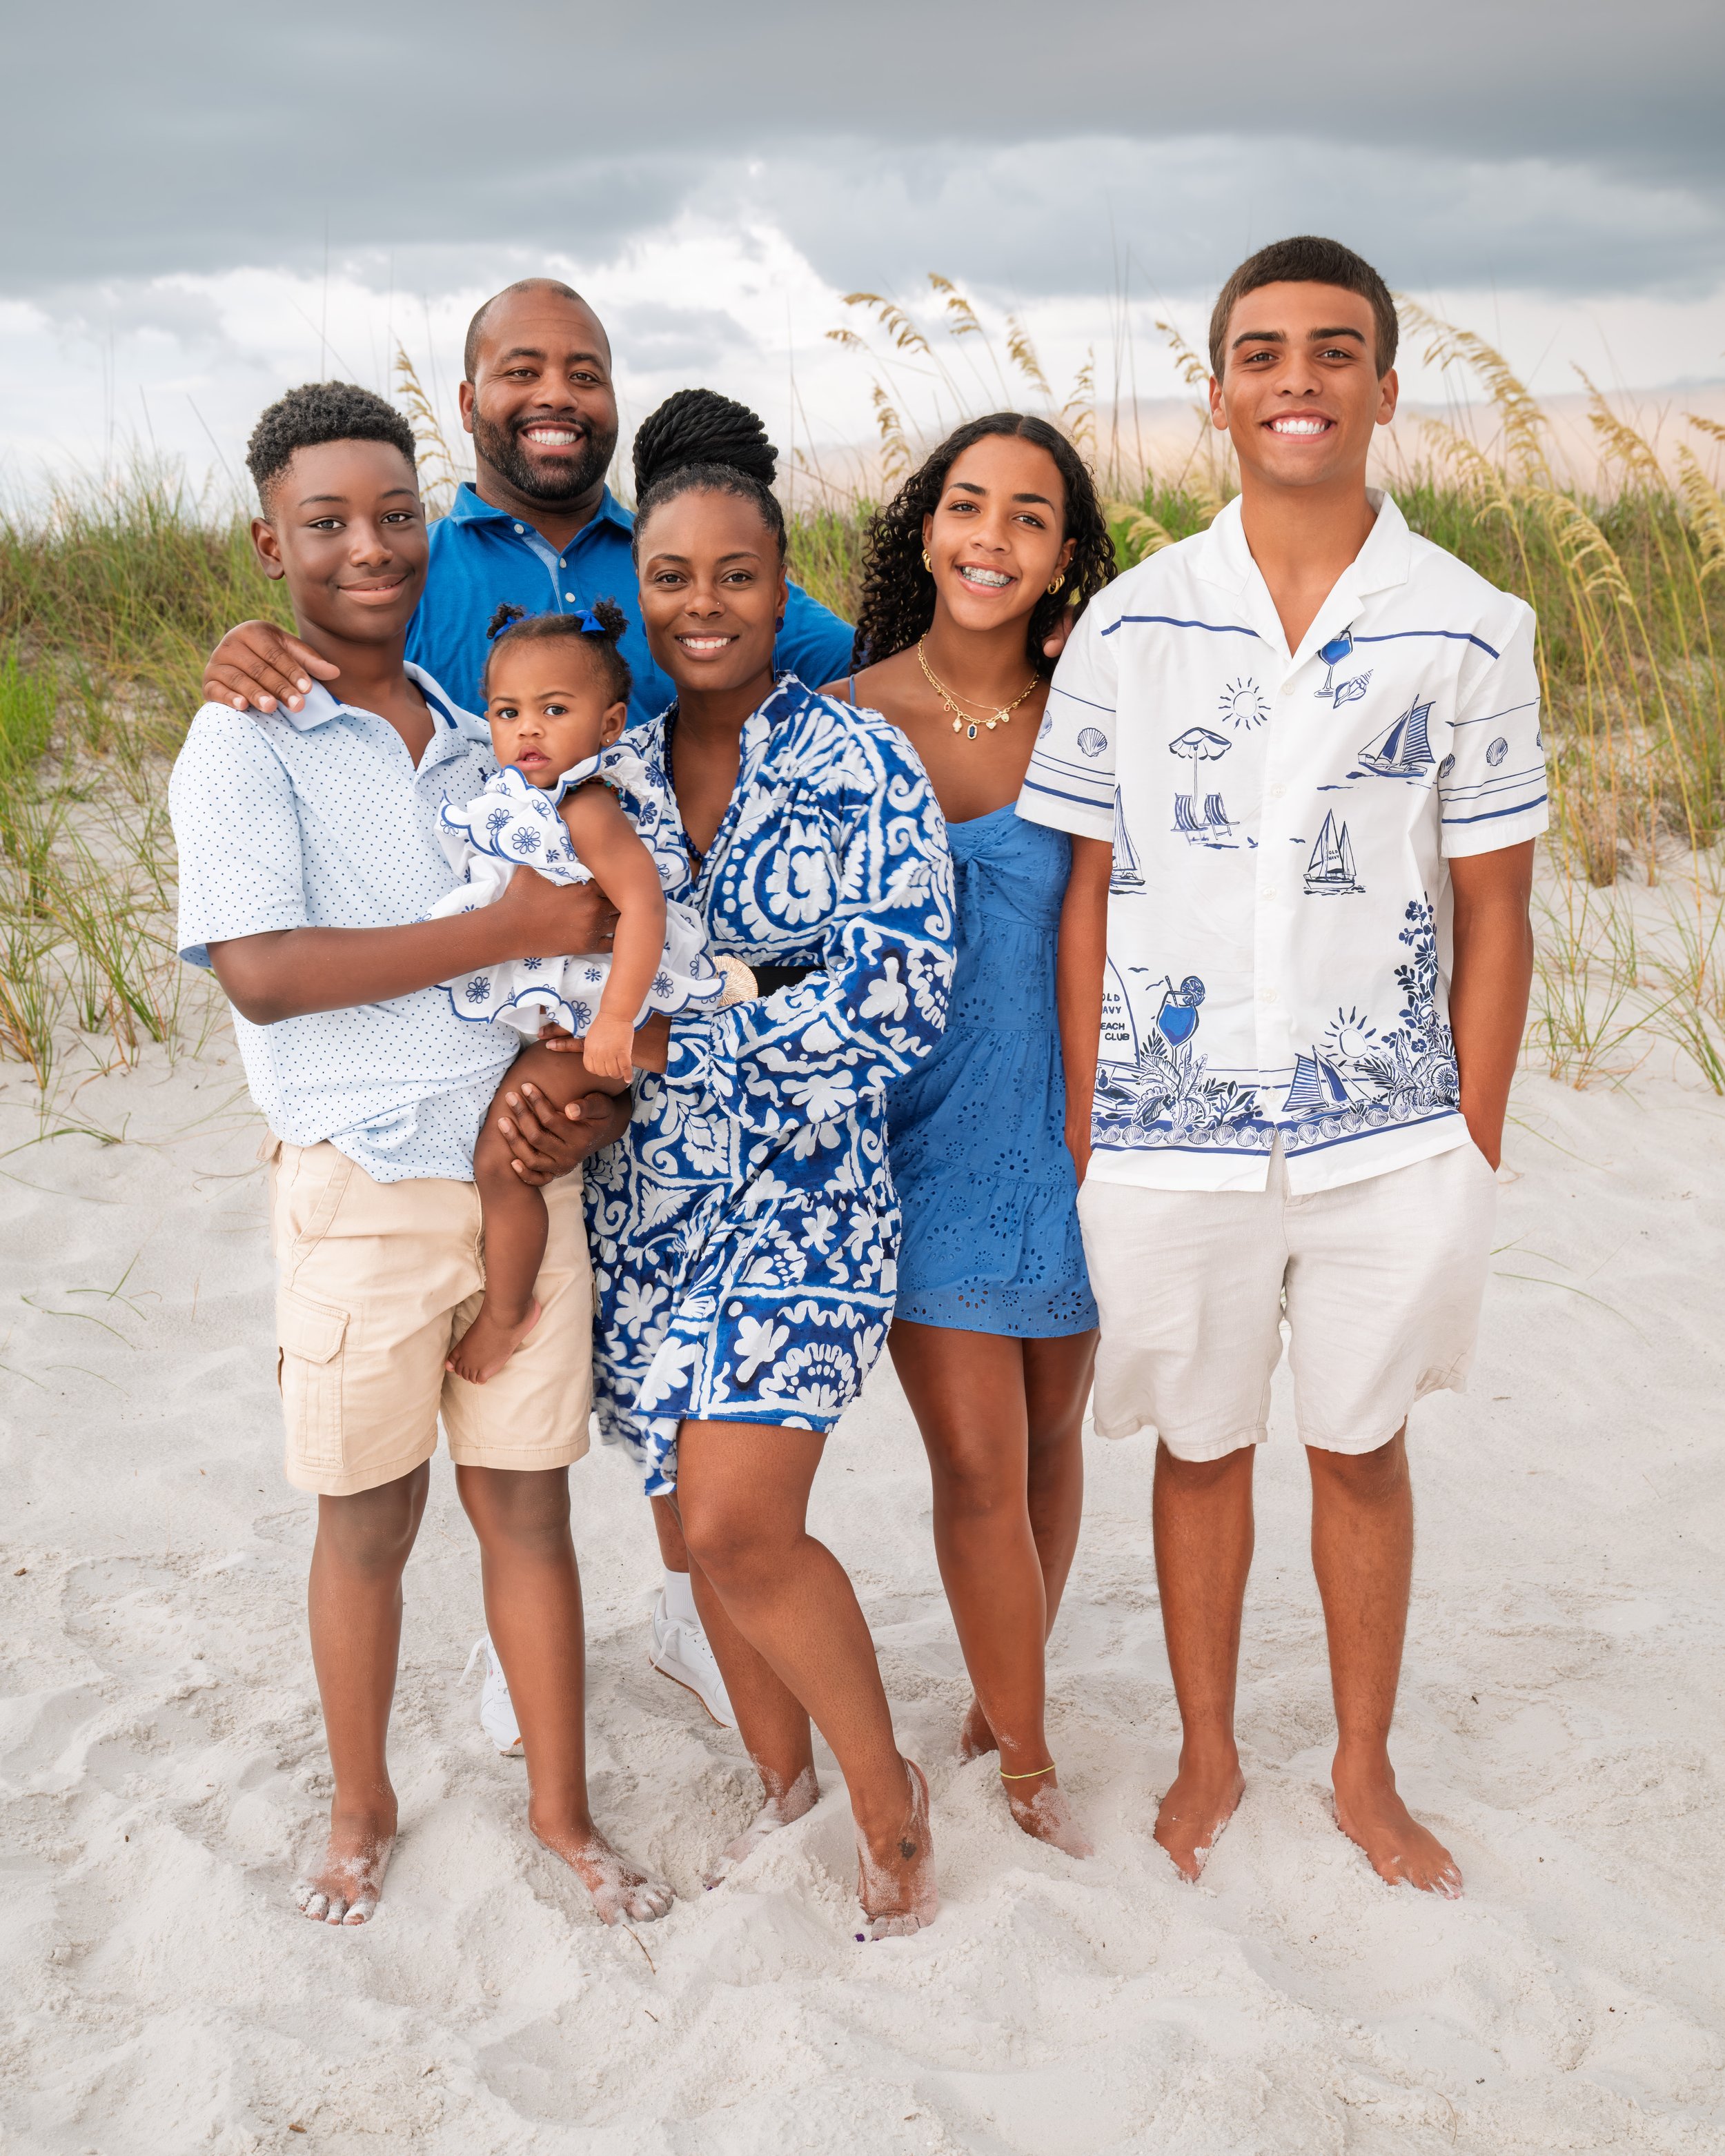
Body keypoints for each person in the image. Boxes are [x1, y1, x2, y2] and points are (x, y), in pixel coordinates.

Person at [1021, 235, 1545, 1897]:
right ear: (1219, 391)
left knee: (1360, 1441)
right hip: (1168, 1132)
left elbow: (1495, 904)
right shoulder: (1132, 618)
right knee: (1197, 1441)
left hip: (1392, 1132)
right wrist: (1094, 1119)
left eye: (1333, 350)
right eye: (1263, 351)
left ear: (1384, 390)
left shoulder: (1470, 627)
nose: (1297, 377)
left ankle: (1366, 1769)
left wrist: (1472, 1131)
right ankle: (1207, 1749)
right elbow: (1086, 889)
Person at [168, 381, 670, 1929]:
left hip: (512, 1169)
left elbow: (563, 958)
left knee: (528, 1504)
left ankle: (562, 1811)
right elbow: (258, 968)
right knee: (367, 1515)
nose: (369, 548)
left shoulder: (474, 734)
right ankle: (360, 1801)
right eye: (327, 523)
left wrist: (553, 1062)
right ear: (272, 541)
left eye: (395, 515)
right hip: (363, 1182)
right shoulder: (244, 739)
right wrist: (510, 928)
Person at [571, 413, 956, 1935]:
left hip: (807, 1194)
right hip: (649, 1207)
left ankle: (887, 1804)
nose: (705, 601)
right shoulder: (595, 778)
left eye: (736, 572)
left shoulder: (859, 757)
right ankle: (782, 1785)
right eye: (672, 575)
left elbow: (904, 990)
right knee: (687, 1524)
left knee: (738, 1517)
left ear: (779, 579)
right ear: (639, 590)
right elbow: (550, 976)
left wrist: (690, 1033)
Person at [822, 413, 1114, 1856]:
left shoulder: (1097, 718)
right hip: (912, 1143)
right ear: (924, 528)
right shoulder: (840, 709)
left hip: (1073, 1128)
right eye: (965, 506)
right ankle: (1031, 1755)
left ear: (1065, 556)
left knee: (1052, 1435)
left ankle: (1008, 1687)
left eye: (1027, 517)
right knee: (974, 1465)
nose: (989, 537)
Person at [197, 282, 854, 729]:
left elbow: (874, 669)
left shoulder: (684, 566)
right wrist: (250, 648)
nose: (558, 395)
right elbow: (325, 691)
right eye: (521, 372)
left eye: (586, 376)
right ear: (466, 405)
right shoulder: (404, 576)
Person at [431, 599, 722, 1383]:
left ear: (608, 722)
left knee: (504, 1158)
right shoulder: (520, 797)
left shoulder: (586, 802)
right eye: (507, 711)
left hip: (604, 1013)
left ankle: (506, 1312)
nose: (527, 730)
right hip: (574, 1007)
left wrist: (619, 1022)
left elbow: (644, 903)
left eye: (554, 710)